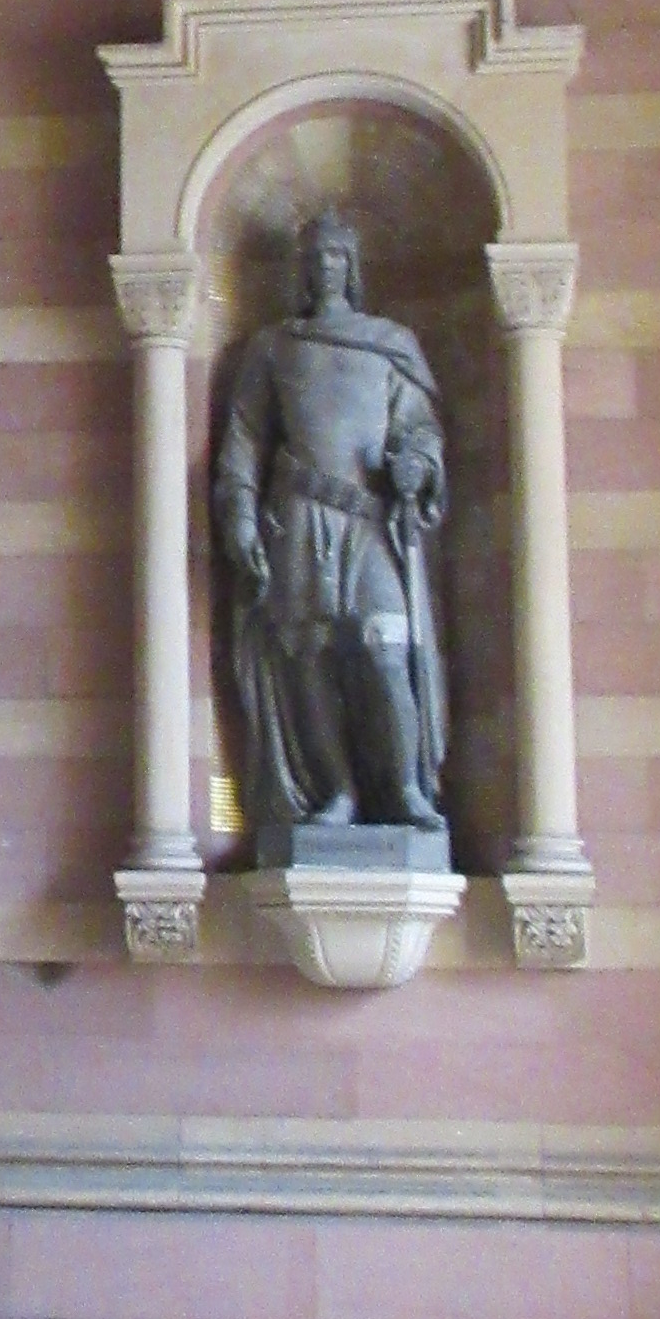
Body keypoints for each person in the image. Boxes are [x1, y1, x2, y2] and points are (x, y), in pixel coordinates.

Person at [211, 207, 449, 846]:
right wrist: (240, 515)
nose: (325, 267)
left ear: (352, 266)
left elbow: (419, 427)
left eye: (336, 256)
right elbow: (245, 440)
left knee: (384, 648)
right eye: (314, 257)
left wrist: (417, 464)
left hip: (369, 519)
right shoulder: (275, 348)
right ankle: (337, 791)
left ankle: (404, 789)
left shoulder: (388, 345)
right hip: (299, 517)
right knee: (309, 655)